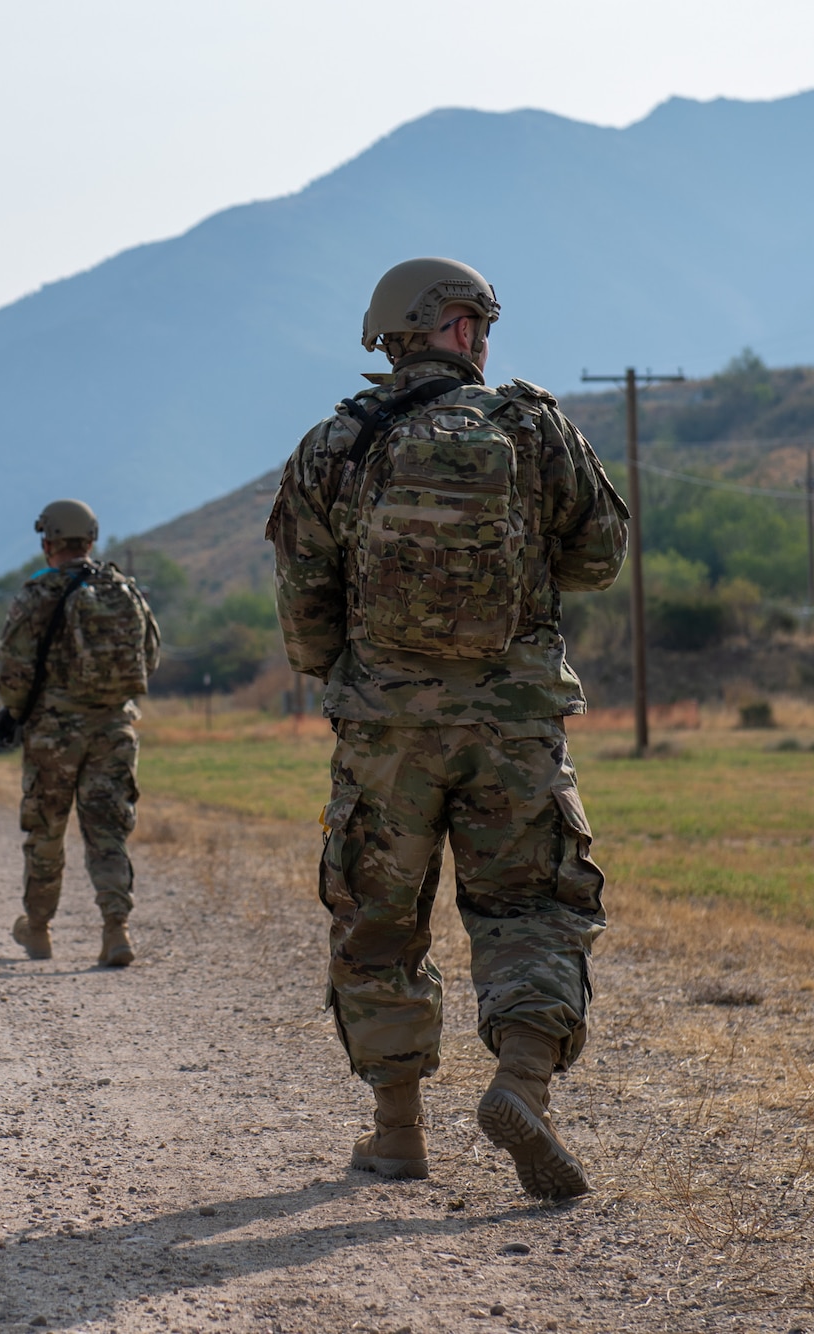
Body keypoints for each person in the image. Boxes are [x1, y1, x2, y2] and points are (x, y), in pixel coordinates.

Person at [267, 257, 628, 1198]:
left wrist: (353, 680)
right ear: (470, 330)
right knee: (534, 909)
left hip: (386, 728)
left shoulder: (333, 443)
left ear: (391, 332)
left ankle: (396, 1135)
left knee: (379, 923)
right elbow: (598, 559)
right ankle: (521, 1086)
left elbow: (304, 610)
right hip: (514, 725)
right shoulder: (534, 426)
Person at [0, 500, 160, 968]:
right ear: (91, 541)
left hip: (54, 735)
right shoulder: (123, 589)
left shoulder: (36, 594)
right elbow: (149, 657)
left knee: (46, 830)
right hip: (114, 728)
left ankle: (40, 930)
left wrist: (15, 711)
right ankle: (116, 930)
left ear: (48, 544)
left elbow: (11, 669)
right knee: (108, 830)